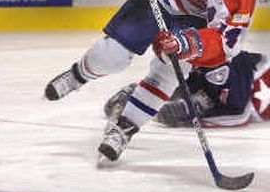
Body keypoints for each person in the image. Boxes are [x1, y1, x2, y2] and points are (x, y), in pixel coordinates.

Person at [45, 0, 258, 162]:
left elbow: (226, 42)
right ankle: (78, 75)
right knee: (111, 55)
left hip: (193, 24)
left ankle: (124, 130)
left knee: (165, 74)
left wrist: (189, 44)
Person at [104, 51, 270, 128]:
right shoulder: (196, 59)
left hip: (242, 88)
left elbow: (238, 113)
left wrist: (193, 115)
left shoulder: (227, 67)